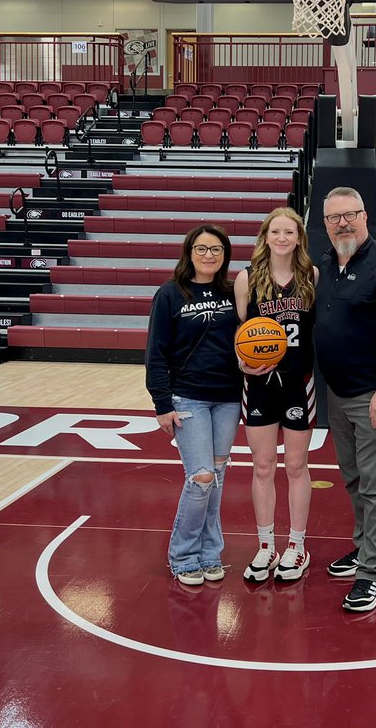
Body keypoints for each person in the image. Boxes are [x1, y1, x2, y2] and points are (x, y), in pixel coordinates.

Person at [314, 187, 376, 612]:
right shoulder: (326, 263)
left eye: (349, 215)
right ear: (324, 223)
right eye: (334, 217)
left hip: (371, 396)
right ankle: (364, 548)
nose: (342, 223)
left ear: (365, 216)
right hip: (336, 394)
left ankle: (374, 572)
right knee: (354, 479)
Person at [145, 224, 242, 587]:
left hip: (228, 398)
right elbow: (156, 353)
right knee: (201, 478)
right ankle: (183, 555)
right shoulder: (170, 294)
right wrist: (161, 403)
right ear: (189, 253)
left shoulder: (234, 292)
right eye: (202, 249)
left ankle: (210, 553)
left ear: (225, 255)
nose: (209, 256)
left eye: (216, 250)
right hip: (188, 397)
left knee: (216, 480)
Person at [233, 208, 318, 583]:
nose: (282, 238)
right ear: (265, 236)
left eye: (289, 232)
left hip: (299, 381)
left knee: (296, 466)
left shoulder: (311, 276)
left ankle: (297, 546)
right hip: (259, 385)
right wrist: (243, 363)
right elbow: (240, 335)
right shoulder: (246, 278)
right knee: (263, 466)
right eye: (276, 231)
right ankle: (266, 545)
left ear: (299, 237)